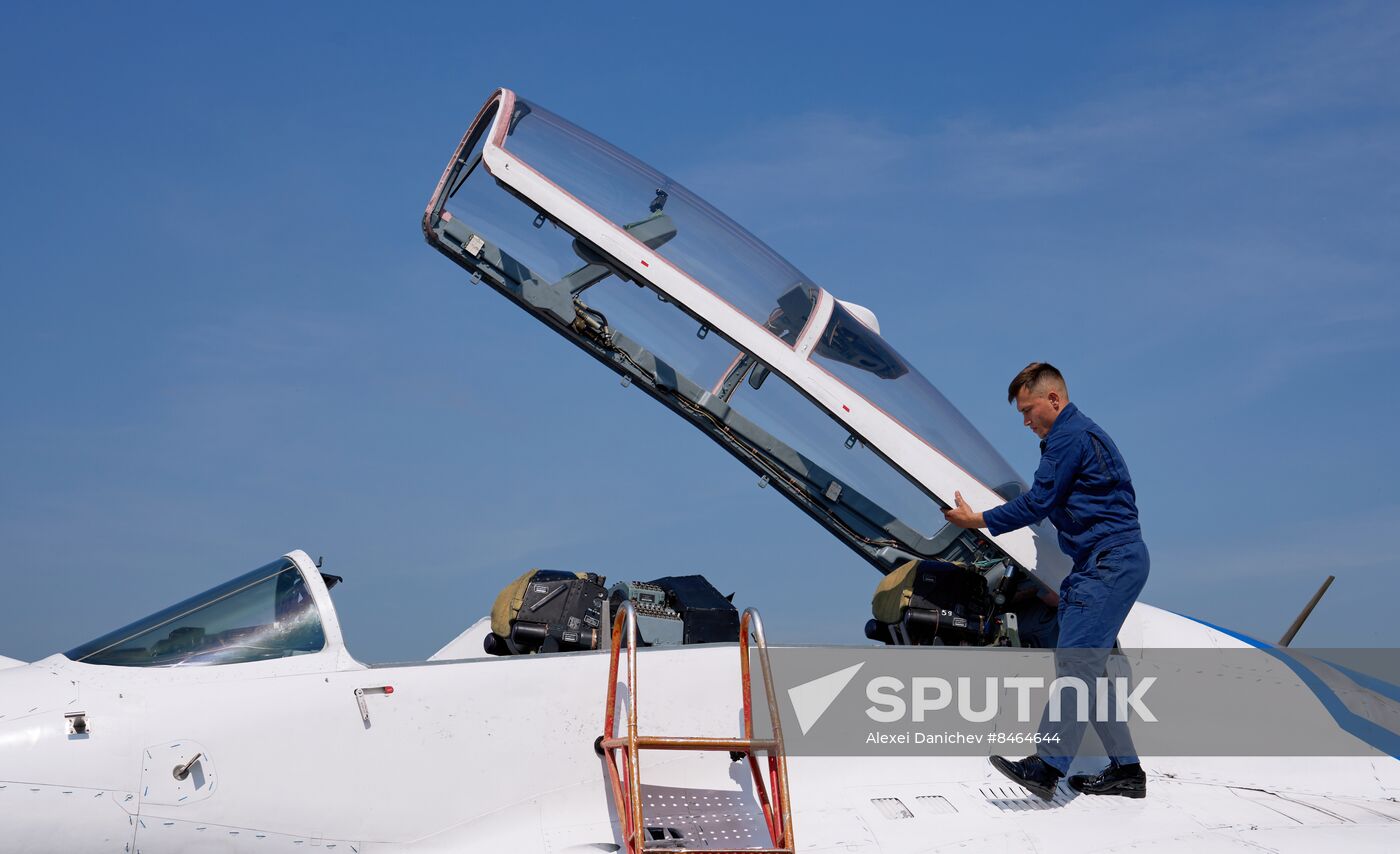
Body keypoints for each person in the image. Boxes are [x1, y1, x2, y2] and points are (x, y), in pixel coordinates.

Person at [942, 362, 1149, 800]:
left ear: (1053, 400)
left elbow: (1038, 502)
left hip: (1107, 563)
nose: (1025, 421)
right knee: (1086, 670)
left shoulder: (1068, 438)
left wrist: (975, 520)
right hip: (1104, 563)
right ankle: (1127, 771)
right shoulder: (1080, 436)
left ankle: (1047, 767)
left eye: (1028, 409)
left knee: (1077, 664)